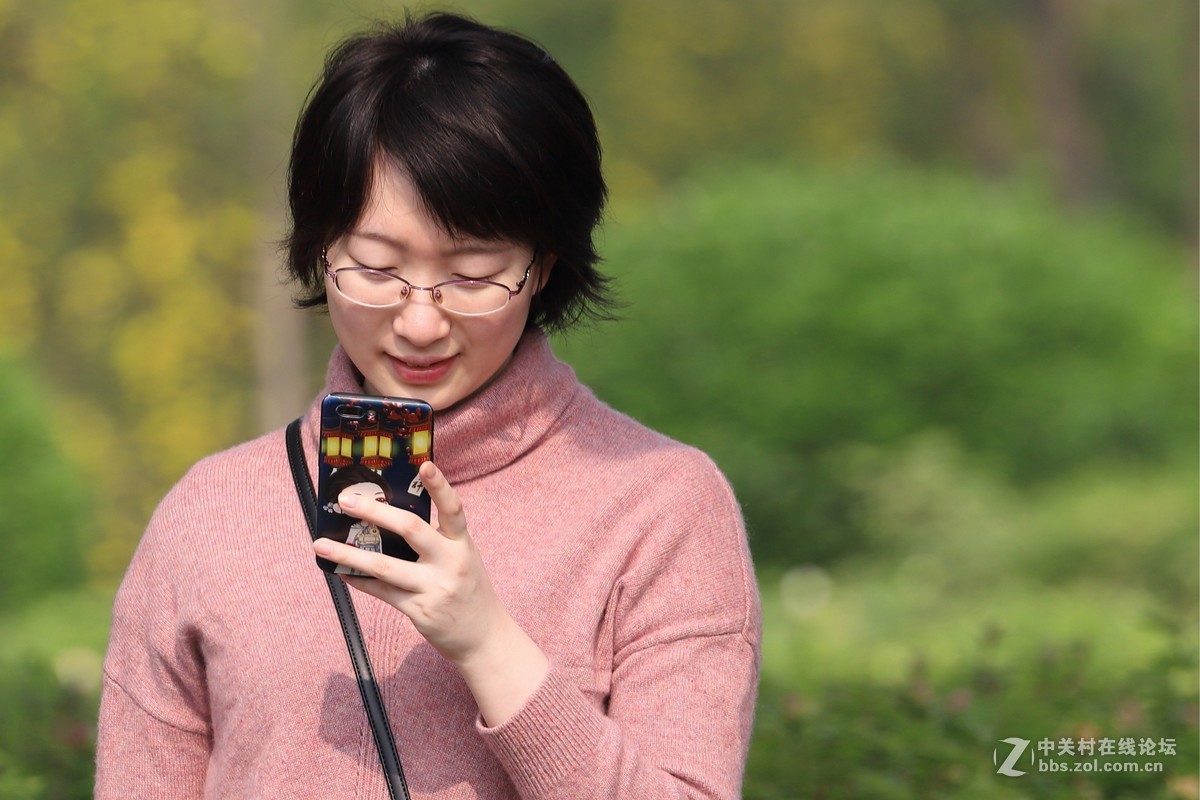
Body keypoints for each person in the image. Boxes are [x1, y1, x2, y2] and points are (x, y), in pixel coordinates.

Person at [96, 10, 761, 799]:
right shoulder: (208, 513)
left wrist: (486, 642)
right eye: (376, 268)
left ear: (544, 267)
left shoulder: (662, 508)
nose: (419, 322)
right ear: (320, 250)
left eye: (473, 275)